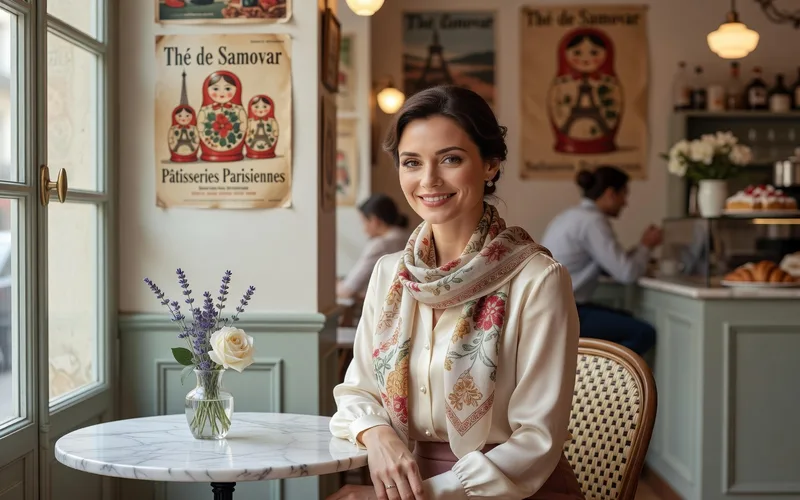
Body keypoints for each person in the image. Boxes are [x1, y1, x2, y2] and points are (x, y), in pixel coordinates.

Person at [328, 85, 584, 500]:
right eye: (412, 162)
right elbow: (358, 390)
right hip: (407, 483)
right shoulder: (389, 274)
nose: (428, 180)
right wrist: (378, 435)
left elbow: (537, 440)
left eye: (450, 159)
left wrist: (420, 495)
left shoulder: (538, 279)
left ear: (490, 165)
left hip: (509, 490)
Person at [540, 166, 661, 356]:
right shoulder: (593, 221)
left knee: (626, 319)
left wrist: (638, 251)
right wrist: (646, 246)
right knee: (644, 333)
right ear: (610, 193)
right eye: (624, 195)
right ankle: (597, 371)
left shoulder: (569, 216)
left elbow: (609, 264)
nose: (625, 203)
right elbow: (627, 273)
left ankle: (593, 367)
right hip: (566, 312)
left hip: (551, 309)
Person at [337, 194, 409, 300]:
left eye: (363, 222)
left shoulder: (380, 245)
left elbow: (347, 289)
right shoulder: (409, 237)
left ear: (374, 220)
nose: (364, 229)